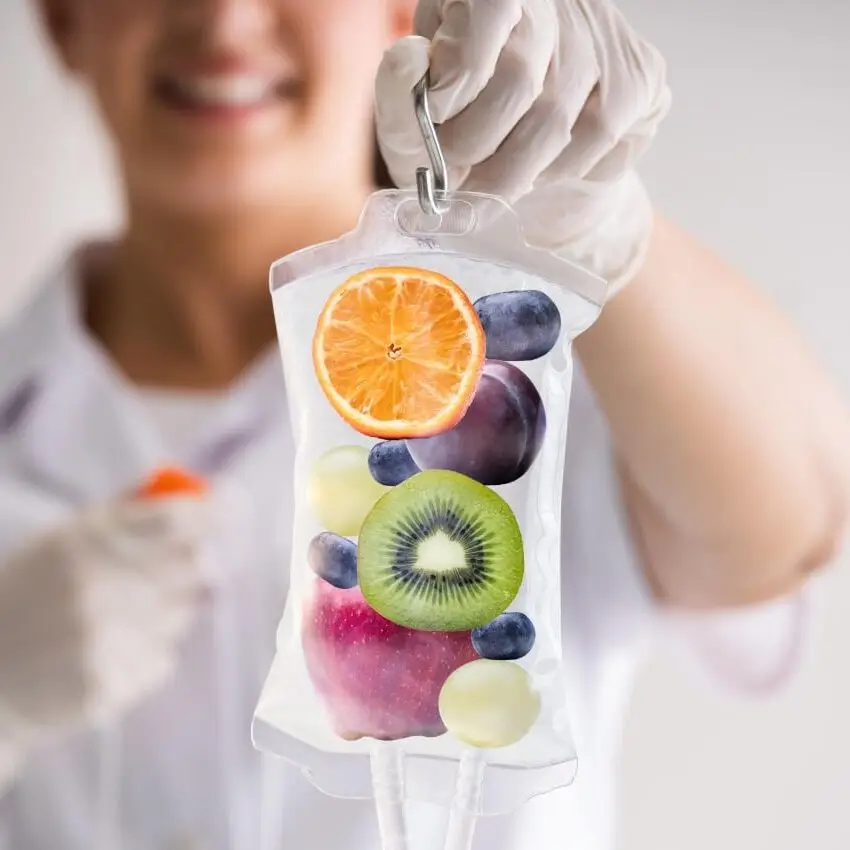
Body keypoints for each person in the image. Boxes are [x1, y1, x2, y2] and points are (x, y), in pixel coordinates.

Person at [0, 0, 848, 848]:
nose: (226, 22)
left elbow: (791, 532)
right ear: (64, 20)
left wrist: (606, 232)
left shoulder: (529, 371)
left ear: (398, 12)